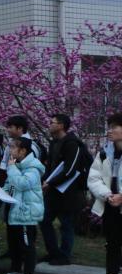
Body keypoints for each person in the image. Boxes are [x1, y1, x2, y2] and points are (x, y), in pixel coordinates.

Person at [41, 113, 89, 266]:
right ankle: (53, 252)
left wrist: (50, 183)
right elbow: (51, 166)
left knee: (66, 224)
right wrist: (46, 181)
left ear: (61, 125)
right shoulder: (54, 143)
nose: (49, 125)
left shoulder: (72, 144)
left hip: (69, 193)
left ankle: (64, 255)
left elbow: (70, 170)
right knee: (44, 220)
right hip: (53, 191)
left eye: (52, 122)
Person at [0, 137, 45, 274]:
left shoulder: (33, 168)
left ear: (23, 151)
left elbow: (22, 184)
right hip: (13, 211)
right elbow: (9, 184)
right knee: (14, 245)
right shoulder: (15, 166)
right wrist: (1, 192)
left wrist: (11, 168)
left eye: (13, 147)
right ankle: (15, 272)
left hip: (26, 213)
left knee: (26, 246)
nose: (10, 150)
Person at [88, 113, 122, 274]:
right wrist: (107, 195)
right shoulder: (104, 153)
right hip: (110, 203)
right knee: (112, 242)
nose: (110, 130)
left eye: (114, 127)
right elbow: (94, 178)